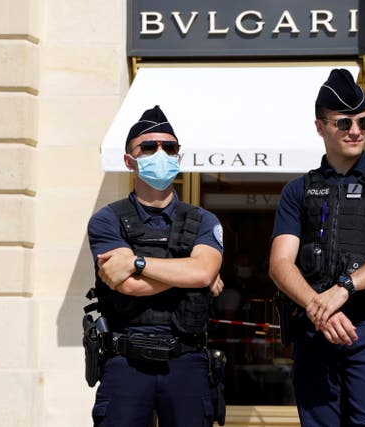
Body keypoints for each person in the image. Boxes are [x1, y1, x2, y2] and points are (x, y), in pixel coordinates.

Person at [268, 69, 365, 426]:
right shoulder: (299, 190)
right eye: (344, 123)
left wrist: (343, 289)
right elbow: (280, 264)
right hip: (316, 332)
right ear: (320, 127)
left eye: (363, 122)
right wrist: (317, 307)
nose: (356, 131)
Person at [86, 105, 225, 426]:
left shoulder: (203, 220)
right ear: (128, 160)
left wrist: (136, 261)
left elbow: (201, 271)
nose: (160, 153)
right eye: (149, 147)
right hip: (126, 363)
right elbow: (127, 285)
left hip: (186, 362)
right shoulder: (107, 219)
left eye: (169, 147)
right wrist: (191, 273)